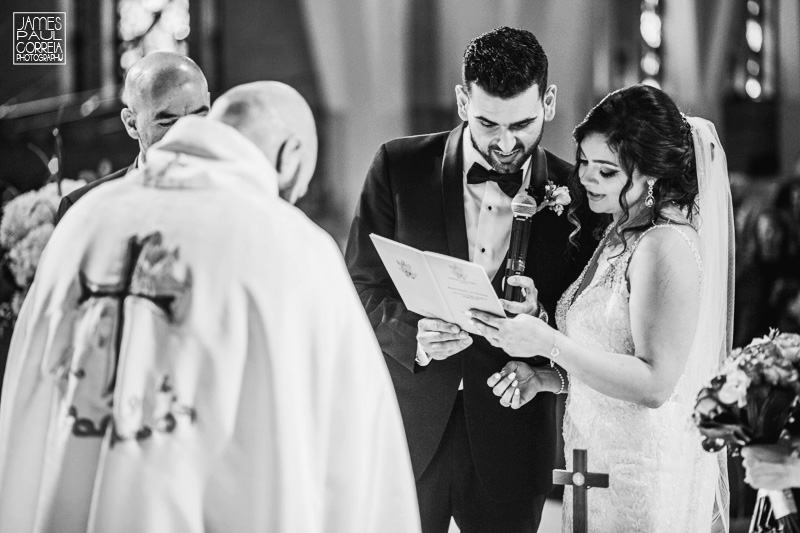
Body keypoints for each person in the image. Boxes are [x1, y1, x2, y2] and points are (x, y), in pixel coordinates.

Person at [0, 82, 420, 532]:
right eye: (294, 187)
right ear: (289, 155)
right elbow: (356, 445)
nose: (289, 200)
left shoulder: (83, 222)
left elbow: (25, 401)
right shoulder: (293, 245)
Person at [345, 27, 599, 532]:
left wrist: (542, 322)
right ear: (462, 101)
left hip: (514, 436)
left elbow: (594, 319)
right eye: (487, 123)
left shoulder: (578, 190)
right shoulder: (399, 166)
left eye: (522, 123)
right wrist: (410, 334)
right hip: (409, 429)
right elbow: (357, 286)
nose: (505, 143)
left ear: (548, 102)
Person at [469, 85, 734, 532]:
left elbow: (654, 383)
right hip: (591, 461)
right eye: (586, 162)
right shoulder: (619, 235)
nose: (586, 178)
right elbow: (609, 351)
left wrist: (547, 342)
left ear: (650, 174)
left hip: (639, 477)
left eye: (607, 171)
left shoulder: (664, 246)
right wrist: (546, 377)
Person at [54, 51, 210, 223]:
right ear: (132, 123)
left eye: (200, 117)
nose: (186, 134)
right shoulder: (83, 207)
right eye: (167, 122)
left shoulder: (238, 190)